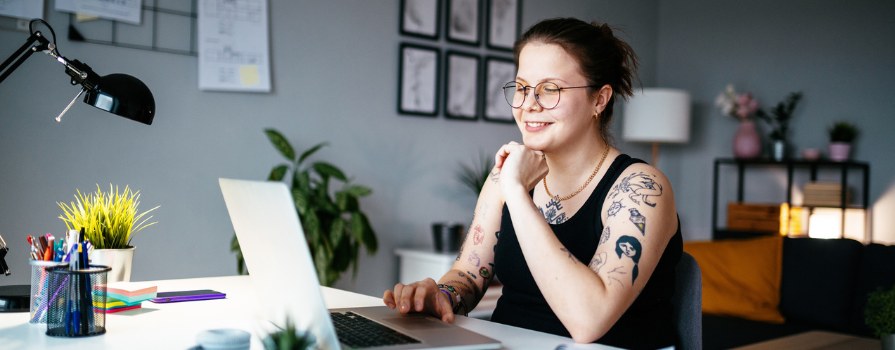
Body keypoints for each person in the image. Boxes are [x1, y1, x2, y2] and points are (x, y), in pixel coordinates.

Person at [383, 17, 682, 349]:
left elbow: (589, 322)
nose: (528, 105)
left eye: (550, 89)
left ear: (600, 99)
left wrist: (516, 192)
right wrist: (439, 295)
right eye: (523, 88)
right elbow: (468, 275)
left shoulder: (641, 188)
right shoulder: (506, 178)